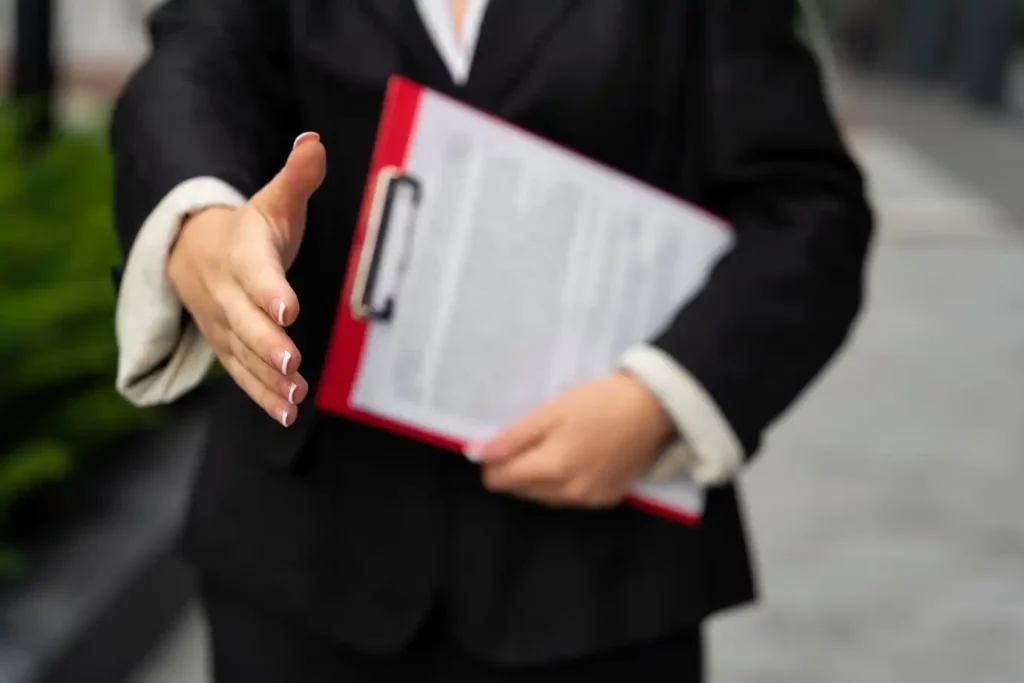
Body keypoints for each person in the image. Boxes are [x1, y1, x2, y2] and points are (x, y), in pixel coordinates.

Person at [110, 1, 873, 681]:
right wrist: (201, 219)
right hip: (306, 544)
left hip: (597, 578)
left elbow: (807, 208)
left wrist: (660, 398)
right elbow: (189, 71)